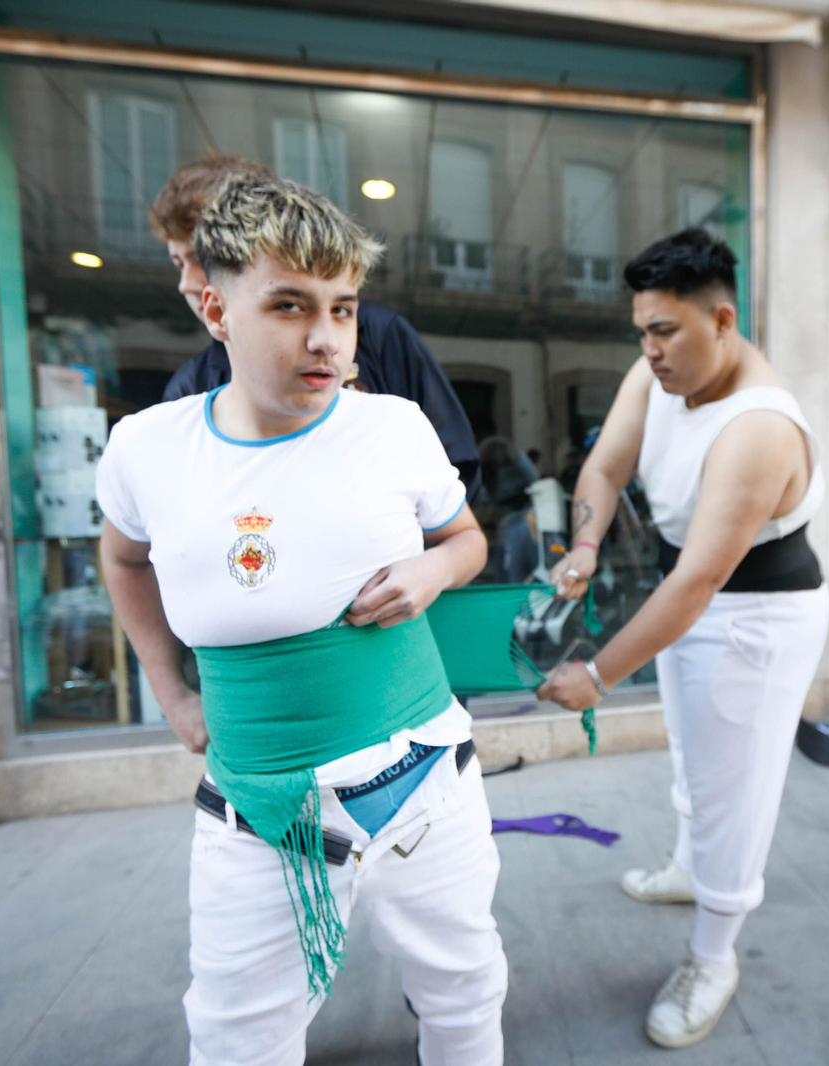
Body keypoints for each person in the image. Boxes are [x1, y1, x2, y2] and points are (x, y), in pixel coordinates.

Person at [98, 173, 506, 1065]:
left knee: (465, 994)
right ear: (215, 308)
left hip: (424, 781)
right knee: (238, 1039)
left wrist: (433, 569)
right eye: (289, 306)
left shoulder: (394, 427)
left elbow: (467, 538)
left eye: (344, 308)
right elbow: (123, 559)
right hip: (258, 811)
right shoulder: (148, 448)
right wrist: (170, 691)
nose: (326, 340)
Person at [537, 228, 829, 1049]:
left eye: (665, 331)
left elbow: (697, 582)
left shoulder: (759, 428)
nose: (650, 349)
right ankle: (688, 868)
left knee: (736, 786)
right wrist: (587, 548)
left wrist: (597, 673)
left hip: (756, 614)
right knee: (693, 753)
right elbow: (602, 470)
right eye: (643, 331)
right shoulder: (660, 368)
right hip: (692, 595)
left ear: (722, 320)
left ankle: (715, 953)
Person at [150, 155, 481, 496]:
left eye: (200, 258)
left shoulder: (378, 335)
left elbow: (454, 470)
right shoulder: (188, 392)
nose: (186, 282)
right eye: (178, 262)